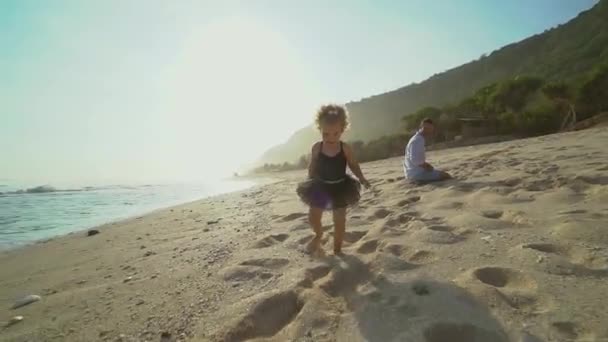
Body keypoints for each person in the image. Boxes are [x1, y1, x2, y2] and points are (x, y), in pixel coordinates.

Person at [296, 104, 371, 255]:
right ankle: (318, 235)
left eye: (335, 133)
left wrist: (361, 178)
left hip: (340, 188)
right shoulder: (317, 147)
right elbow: (313, 165)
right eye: (326, 134)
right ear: (320, 130)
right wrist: (309, 180)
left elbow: (353, 164)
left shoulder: (345, 148)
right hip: (320, 186)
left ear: (343, 130)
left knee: (340, 221)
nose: (331, 137)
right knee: (313, 216)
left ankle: (337, 250)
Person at [404, 118, 452, 182]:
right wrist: (427, 166)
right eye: (427, 128)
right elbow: (415, 160)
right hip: (416, 174)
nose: (429, 131)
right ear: (422, 127)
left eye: (430, 129)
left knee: (439, 173)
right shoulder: (418, 140)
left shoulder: (418, 138)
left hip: (412, 172)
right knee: (446, 175)